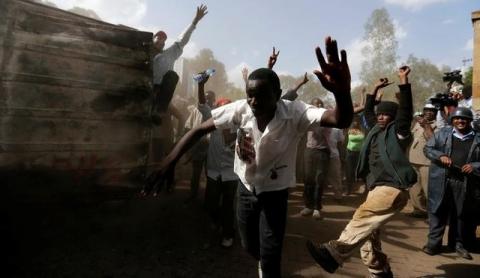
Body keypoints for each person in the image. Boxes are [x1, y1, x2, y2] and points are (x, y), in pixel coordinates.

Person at [142, 37, 353, 278]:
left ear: (279, 95)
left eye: (261, 96)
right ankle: (261, 259)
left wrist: (342, 93)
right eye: (250, 95)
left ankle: (267, 266)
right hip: (245, 191)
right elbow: (199, 129)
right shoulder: (240, 109)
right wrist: (170, 160)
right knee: (250, 246)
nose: (254, 102)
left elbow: (341, 120)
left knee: (271, 255)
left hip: (275, 194)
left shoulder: (297, 112)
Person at [307, 67, 416, 278]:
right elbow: (367, 112)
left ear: (394, 118)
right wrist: (373, 90)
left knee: (361, 217)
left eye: (387, 115)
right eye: (380, 113)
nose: (382, 117)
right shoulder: (374, 131)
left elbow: (406, 112)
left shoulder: (399, 133)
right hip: (377, 189)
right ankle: (379, 271)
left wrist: (404, 81)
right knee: (368, 234)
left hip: (391, 188)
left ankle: (334, 253)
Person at [422, 107, 480, 260]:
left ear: (469, 121)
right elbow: (428, 148)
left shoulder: (478, 138)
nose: (460, 121)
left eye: (464, 119)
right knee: (437, 211)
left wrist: (475, 166)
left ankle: (458, 245)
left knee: (461, 214)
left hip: (466, 183)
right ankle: (433, 244)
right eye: (457, 118)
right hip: (441, 180)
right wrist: (440, 155)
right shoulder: (443, 134)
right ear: (452, 120)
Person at [203, 96, 238, 248]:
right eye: (222, 108)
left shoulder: (238, 126)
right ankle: (216, 222)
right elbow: (202, 106)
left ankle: (228, 234)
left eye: (228, 108)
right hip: (213, 172)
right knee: (211, 204)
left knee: (228, 206)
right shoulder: (213, 124)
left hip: (230, 174)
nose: (225, 112)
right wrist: (200, 86)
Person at [184, 76, 216, 203]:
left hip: (211, 148)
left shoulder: (217, 112)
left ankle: (210, 199)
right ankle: (193, 195)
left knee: (210, 174)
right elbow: (188, 127)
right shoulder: (196, 111)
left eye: (210, 98)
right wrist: (187, 145)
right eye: (205, 97)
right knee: (196, 174)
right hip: (198, 147)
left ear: (214, 100)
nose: (207, 100)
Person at [301, 98, 330, 219]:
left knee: (319, 180)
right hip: (309, 151)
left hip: (322, 151)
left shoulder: (327, 120)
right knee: (308, 179)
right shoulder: (308, 118)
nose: (318, 105)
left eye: (320, 104)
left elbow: (321, 132)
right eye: (315, 104)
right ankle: (308, 206)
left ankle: (317, 208)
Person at [407, 103, 437, 218]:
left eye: (432, 110)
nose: (429, 112)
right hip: (413, 158)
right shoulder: (417, 123)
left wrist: (426, 126)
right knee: (414, 187)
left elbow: (433, 140)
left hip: (427, 161)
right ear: (423, 111)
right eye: (427, 110)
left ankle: (433, 215)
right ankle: (418, 210)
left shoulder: (437, 125)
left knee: (428, 188)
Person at [344, 116, 364, 195]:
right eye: (354, 121)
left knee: (358, 171)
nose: (355, 122)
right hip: (350, 153)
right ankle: (348, 189)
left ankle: (357, 188)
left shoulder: (362, 130)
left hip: (359, 153)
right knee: (349, 172)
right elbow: (344, 141)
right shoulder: (349, 130)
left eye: (357, 121)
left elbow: (364, 140)